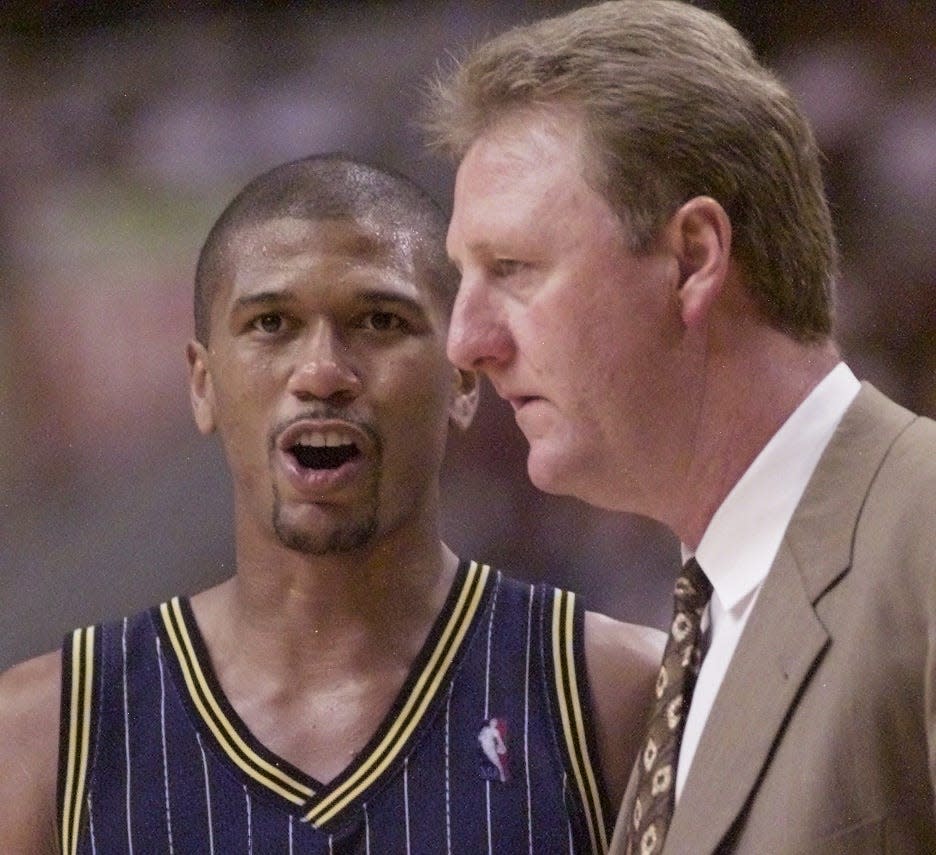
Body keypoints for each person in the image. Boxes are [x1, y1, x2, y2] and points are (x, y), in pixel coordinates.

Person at [0, 154, 664, 854]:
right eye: (270, 324)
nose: (321, 372)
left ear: (464, 379)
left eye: (379, 320)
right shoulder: (46, 735)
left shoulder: (610, 692)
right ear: (202, 384)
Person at [424, 1, 936, 852]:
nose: (467, 341)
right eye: (464, 277)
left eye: (512, 269)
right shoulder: (700, 629)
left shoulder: (923, 535)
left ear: (694, 257)